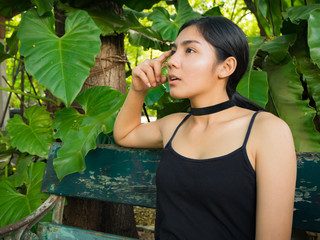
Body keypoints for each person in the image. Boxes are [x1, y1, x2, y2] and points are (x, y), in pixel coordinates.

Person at [113, 16, 296, 240]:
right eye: (174, 51)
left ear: (225, 67)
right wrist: (138, 90)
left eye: (189, 50)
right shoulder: (174, 125)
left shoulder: (266, 130)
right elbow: (125, 134)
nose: (171, 61)